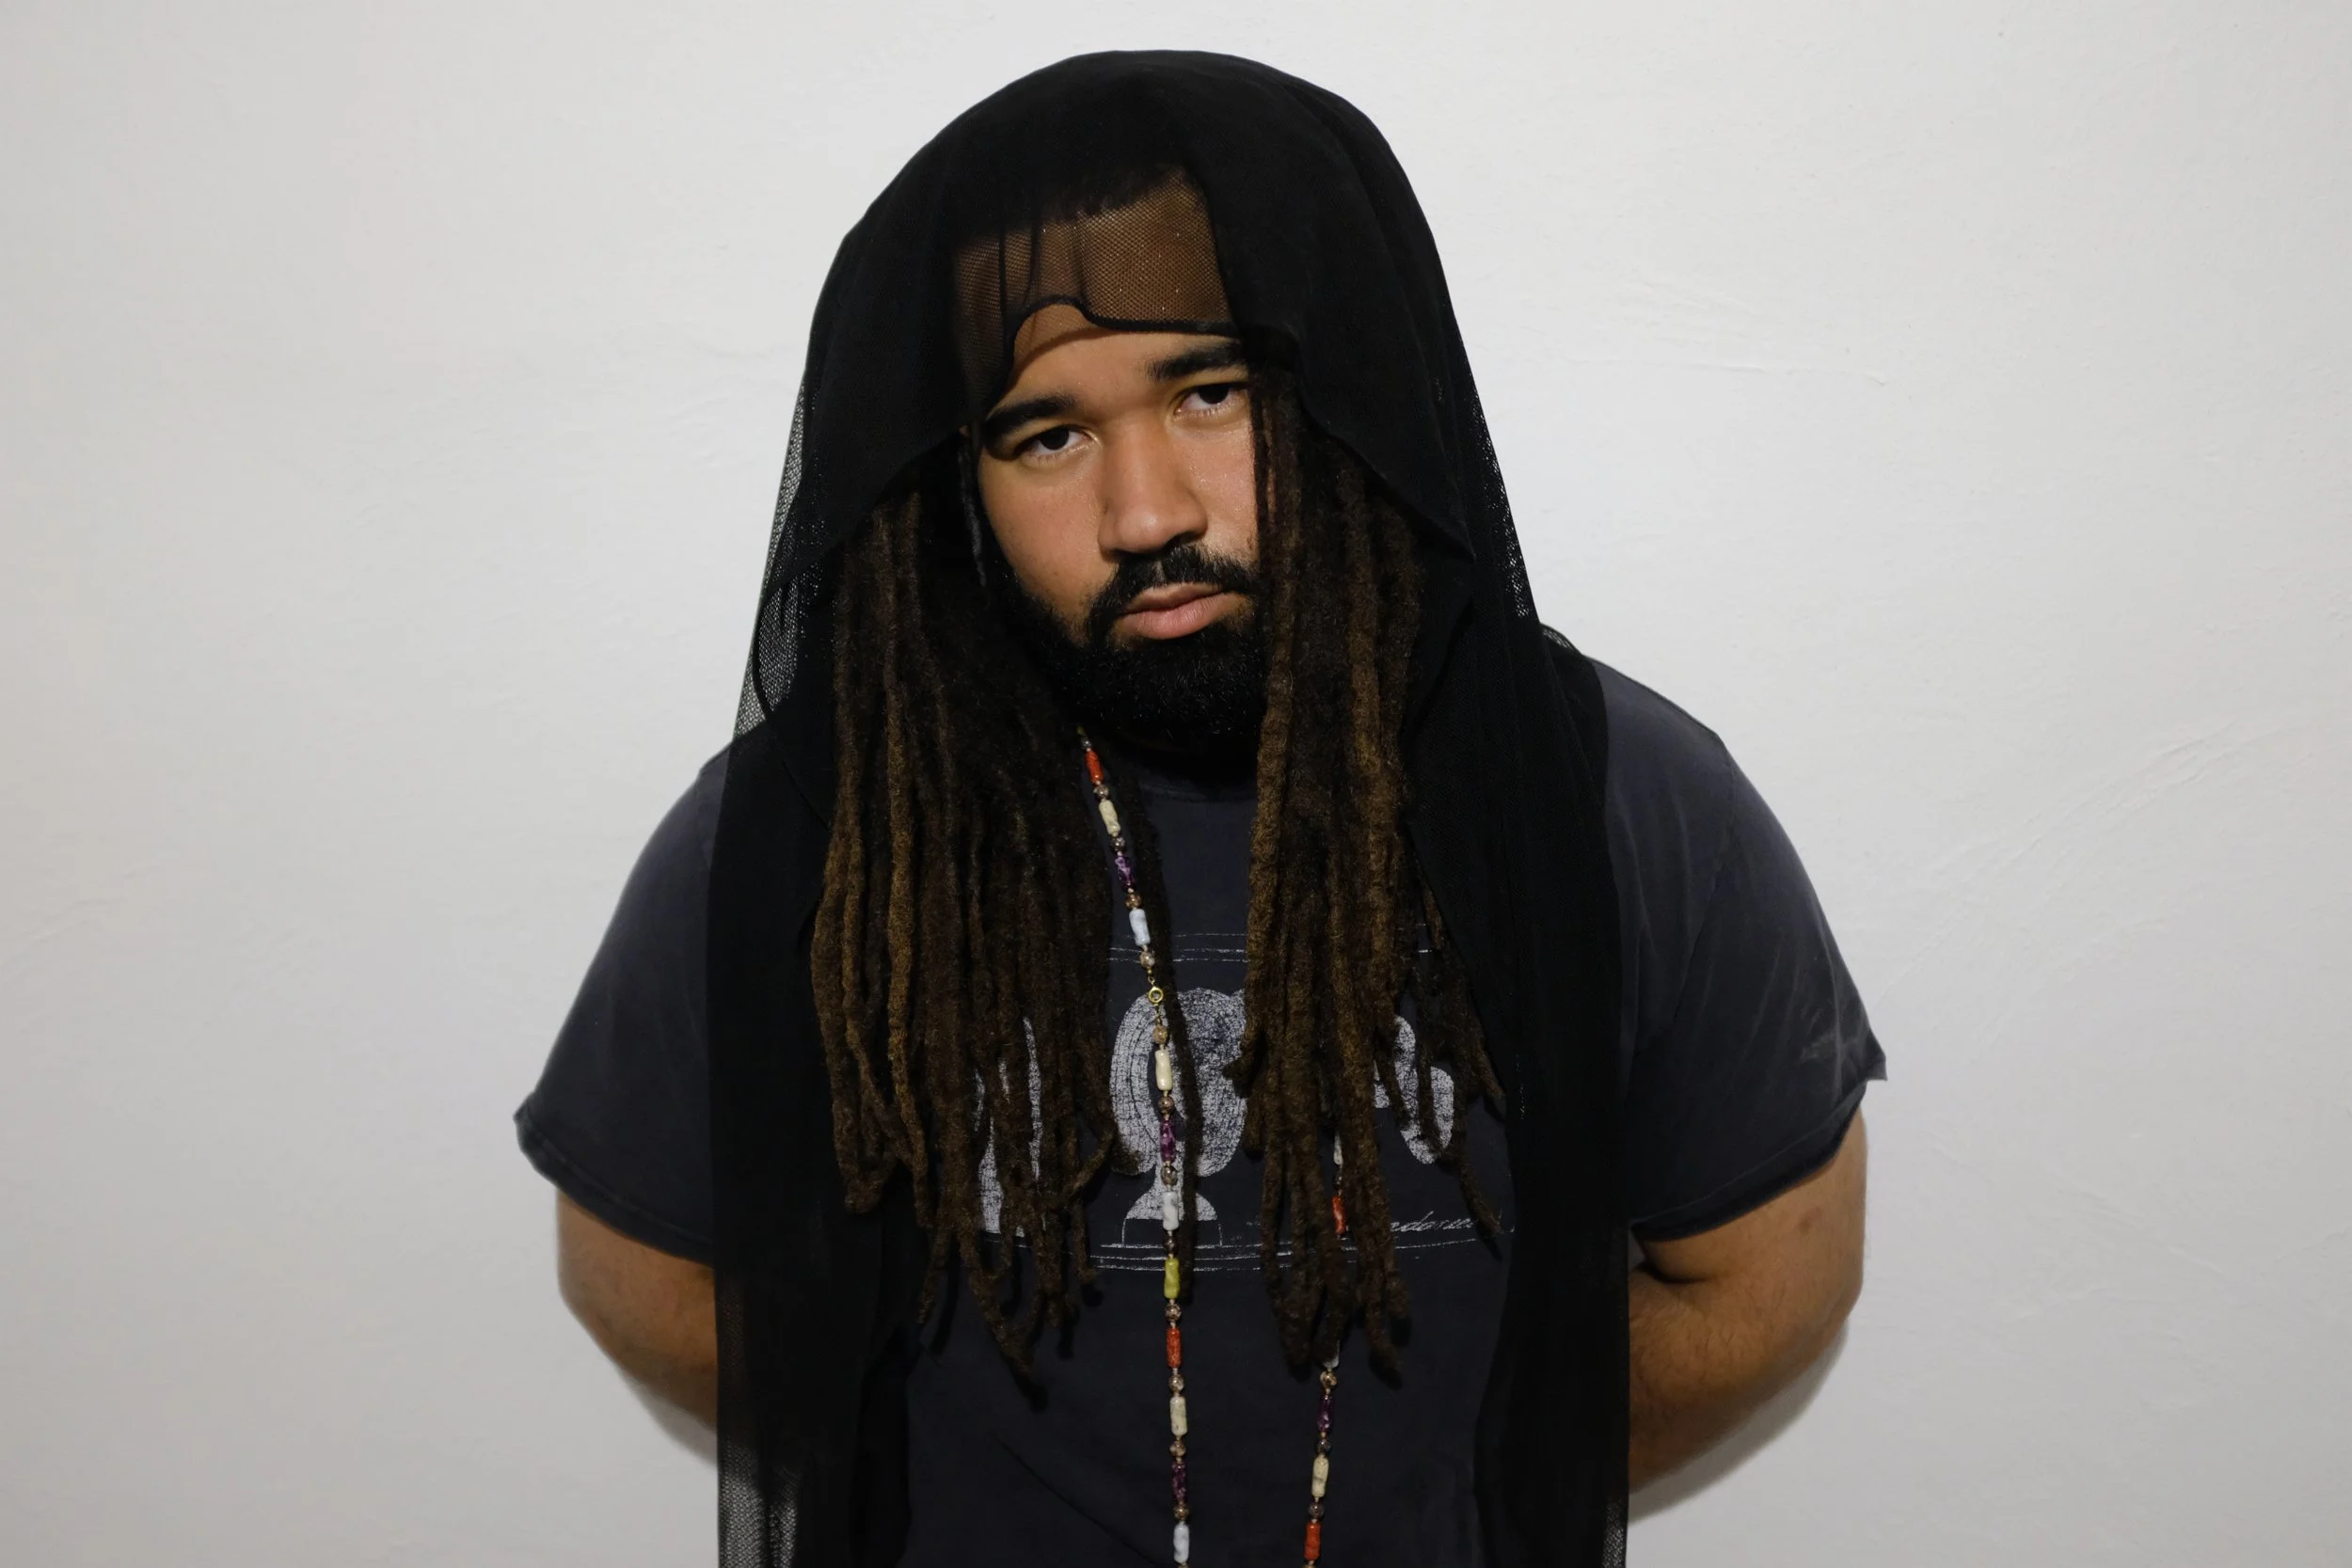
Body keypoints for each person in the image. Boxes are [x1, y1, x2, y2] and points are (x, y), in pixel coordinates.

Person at [516, 51, 1883, 1568]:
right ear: (959, 479)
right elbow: (641, 1271)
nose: (1147, 512)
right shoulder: (817, 819)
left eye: (1209, 391)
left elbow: (1770, 1282)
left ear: (1337, 386)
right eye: (1049, 433)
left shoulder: (1610, 792)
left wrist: (1466, 1489)